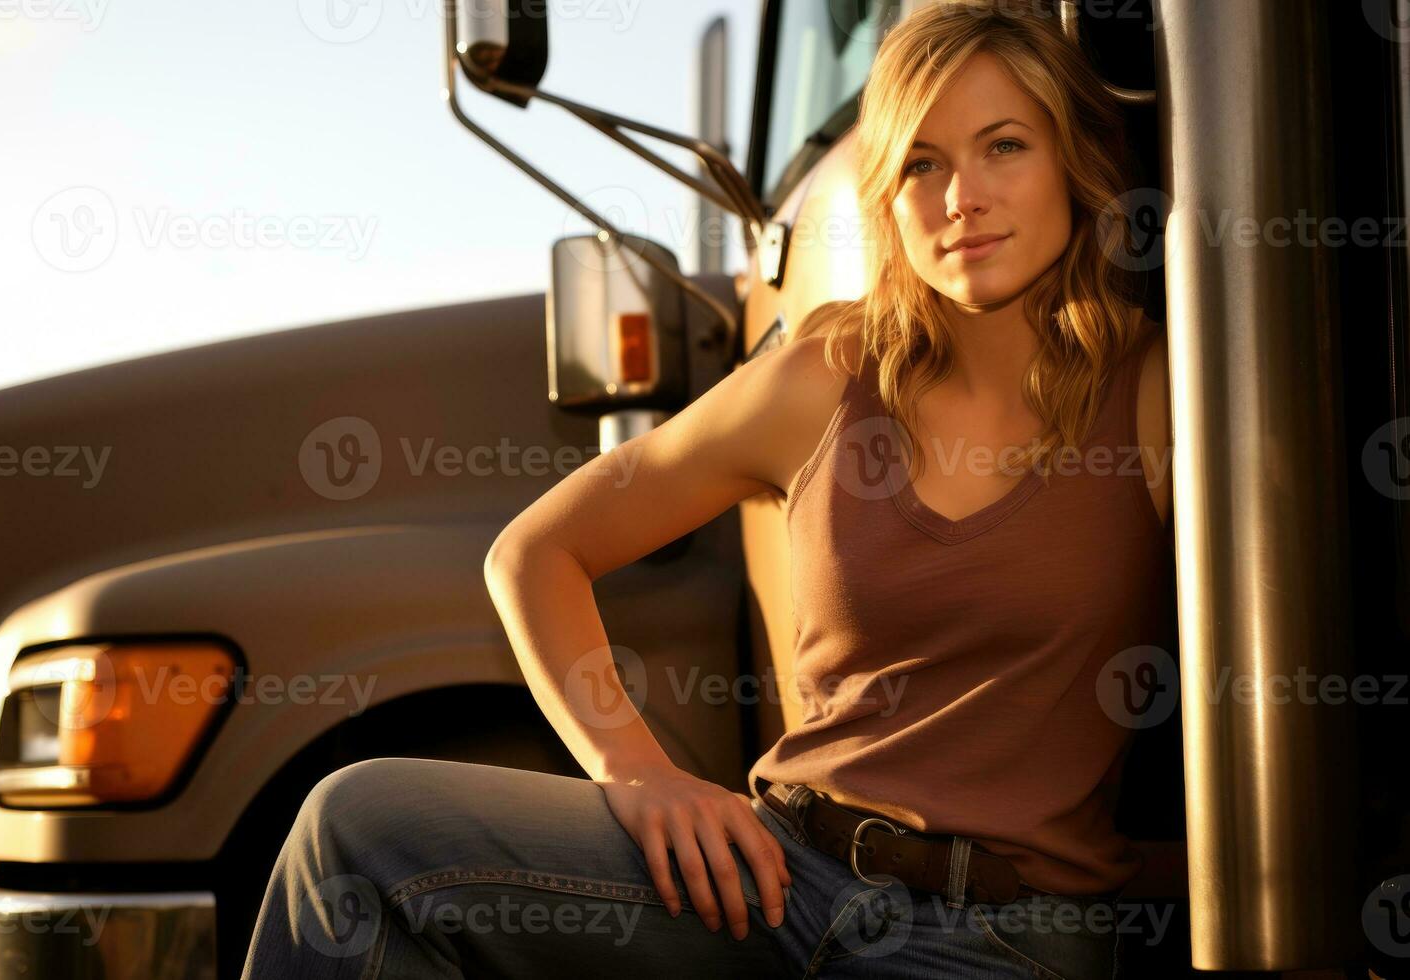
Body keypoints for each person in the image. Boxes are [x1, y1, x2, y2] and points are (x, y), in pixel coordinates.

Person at [239, 1, 1174, 976]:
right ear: (886, 198)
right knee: (357, 832)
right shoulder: (825, 373)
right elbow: (537, 551)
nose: (960, 198)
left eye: (1004, 146)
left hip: (1000, 937)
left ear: (1074, 162)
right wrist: (636, 770)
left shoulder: (1154, 391)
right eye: (922, 164)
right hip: (776, 880)